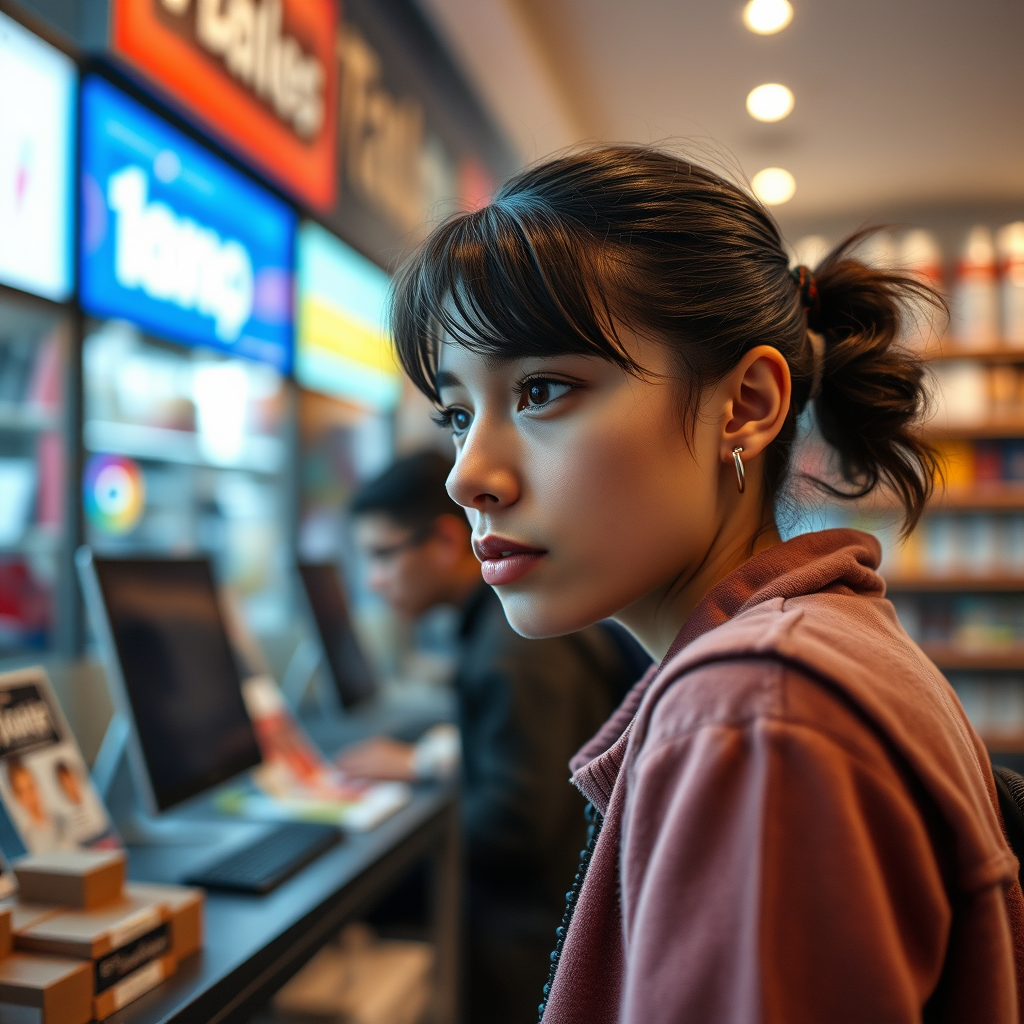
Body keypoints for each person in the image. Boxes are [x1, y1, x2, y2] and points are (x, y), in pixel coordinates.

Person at [388, 146, 1024, 1023]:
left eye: (541, 390)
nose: (469, 475)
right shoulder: (802, 653)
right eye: (458, 414)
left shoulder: (752, 712)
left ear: (747, 406)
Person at [337, 451, 640, 1024]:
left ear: (447, 545)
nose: (373, 581)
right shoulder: (502, 629)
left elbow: (511, 828)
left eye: (382, 555)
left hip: (530, 951)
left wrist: (366, 853)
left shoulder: (514, 647)